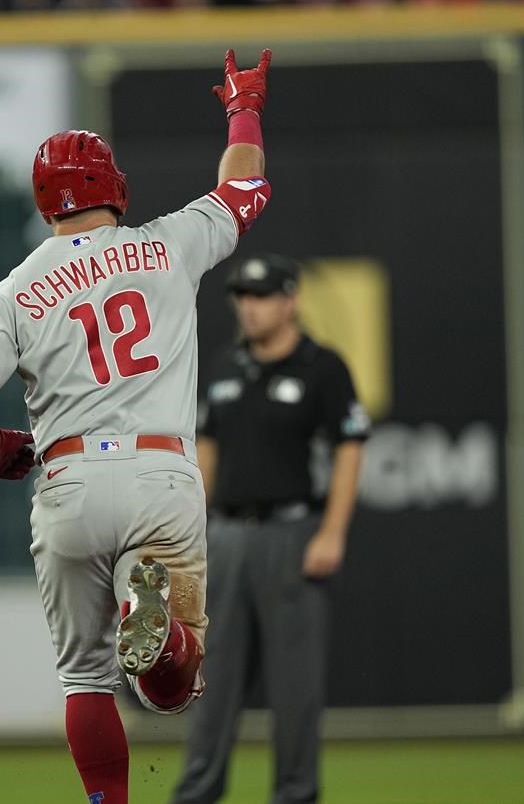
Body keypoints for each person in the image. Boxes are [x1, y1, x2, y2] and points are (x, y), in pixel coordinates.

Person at [0, 49, 273, 804]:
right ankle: (158, 632)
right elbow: (245, 187)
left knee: (85, 679)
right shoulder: (168, 242)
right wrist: (243, 109)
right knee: (171, 688)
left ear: (45, 205)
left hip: (69, 482)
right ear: (113, 186)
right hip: (160, 474)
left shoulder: (15, 291)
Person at [171, 253, 369, 804]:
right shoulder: (225, 365)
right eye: (242, 296)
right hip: (227, 536)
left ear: (291, 301)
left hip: (292, 533)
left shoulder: (322, 367)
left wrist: (333, 532)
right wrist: (190, 533)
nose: (249, 307)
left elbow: (350, 448)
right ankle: (196, 795)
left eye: (261, 295)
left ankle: (295, 795)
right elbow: (207, 451)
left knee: (295, 687)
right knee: (210, 682)